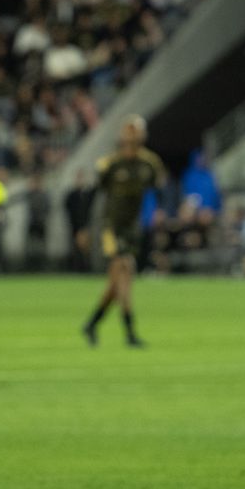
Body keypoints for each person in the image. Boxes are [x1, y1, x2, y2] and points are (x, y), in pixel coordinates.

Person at [81, 115, 166, 347]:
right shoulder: (110, 164)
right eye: (128, 131)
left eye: (135, 131)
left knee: (116, 283)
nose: (131, 136)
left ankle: (92, 324)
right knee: (125, 269)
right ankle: (129, 333)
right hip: (111, 226)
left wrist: (159, 211)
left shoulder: (149, 163)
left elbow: (160, 189)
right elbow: (92, 195)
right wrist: (84, 228)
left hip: (132, 228)